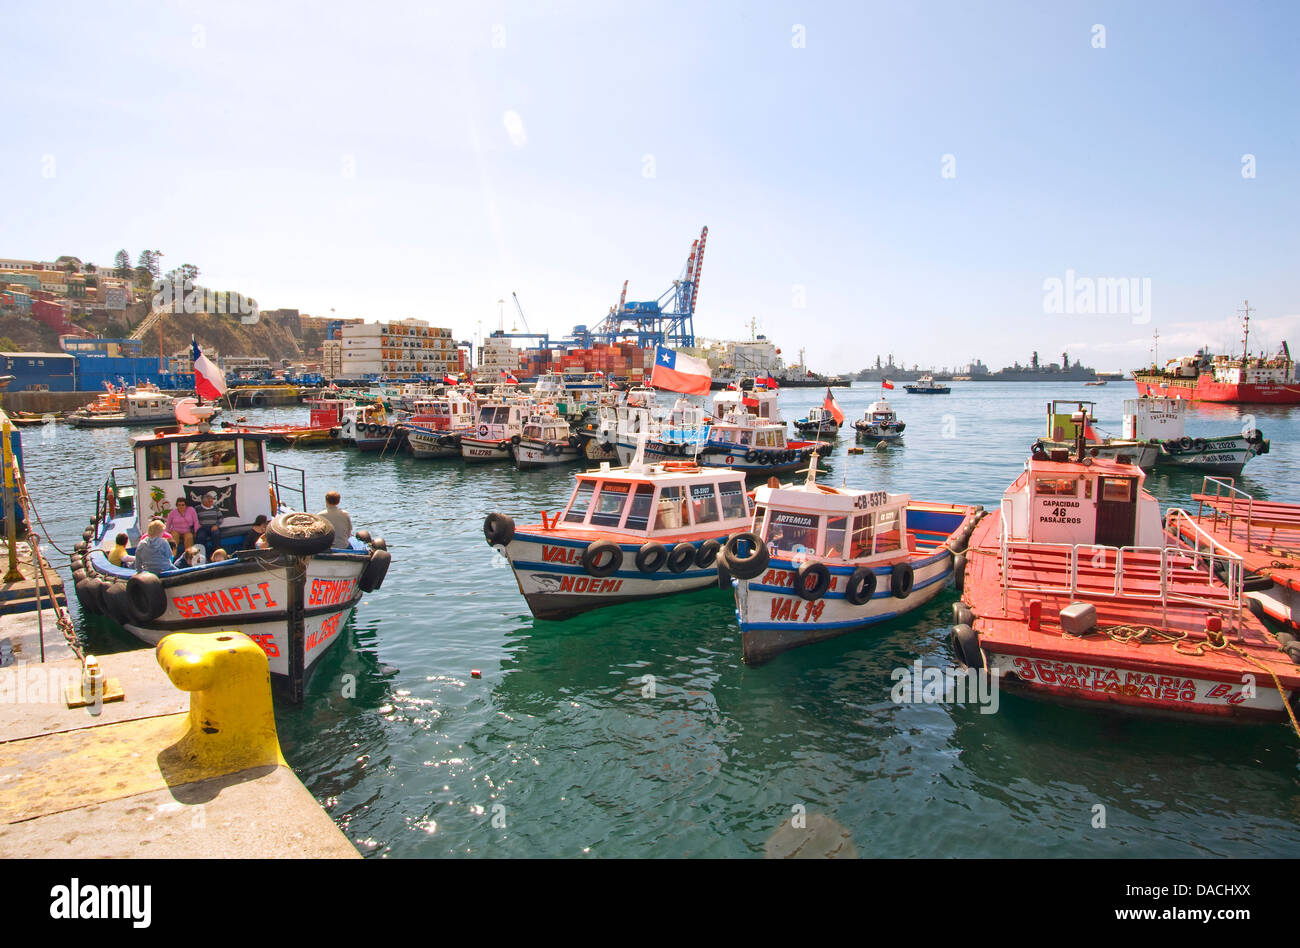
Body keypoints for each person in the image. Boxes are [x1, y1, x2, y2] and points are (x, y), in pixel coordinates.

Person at [195, 490, 224, 557]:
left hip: (213, 526)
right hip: (202, 527)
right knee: (200, 537)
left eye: (212, 501)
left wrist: (217, 525)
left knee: (216, 534)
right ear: (204, 502)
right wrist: (198, 525)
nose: (211, 503)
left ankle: (217, 554)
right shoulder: (197, 508)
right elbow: (194, 519)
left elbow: (221, 517)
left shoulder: (215, 507)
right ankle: (203, 555)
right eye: (209, 501)